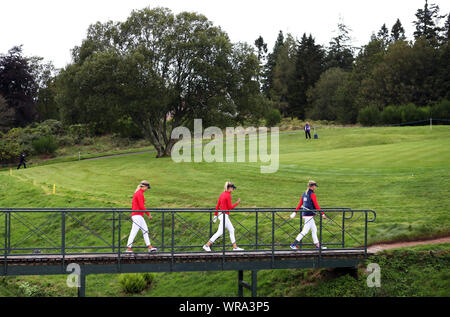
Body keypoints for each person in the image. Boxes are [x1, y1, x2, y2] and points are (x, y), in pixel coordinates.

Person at [203, 182, 244, 252]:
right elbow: (230, 207)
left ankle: (235, 247)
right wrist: (237, 203)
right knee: (219, 232)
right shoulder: (228, 195)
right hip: (224, 215)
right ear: (229, 188)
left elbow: (217, 205)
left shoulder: (222, 194)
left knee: (232, 230)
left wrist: (215, 215)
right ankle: (207, 245)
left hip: (221, 215)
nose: (233, 189)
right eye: (233, 188)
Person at [289, 180, 327, 249]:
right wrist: (322, 214)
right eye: (315, 186)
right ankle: (294, 244)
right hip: (309, 216)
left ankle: (317, 245)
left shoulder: (304, 194)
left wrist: (295, 212)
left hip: (305, 215)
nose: (315, 188)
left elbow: (300, 204)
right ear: (312, 186)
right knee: (305, 231)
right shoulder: (312, 194)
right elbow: (316, 205)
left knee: (314, 229)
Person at [126, 180, 157, 253]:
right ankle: (129, 248)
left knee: (145, 230)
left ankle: (149, 247)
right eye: (146, 187)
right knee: (135, 231)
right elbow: (141, 206)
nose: (147, 189)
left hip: (138, 215)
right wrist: (148, 214)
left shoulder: (138, 193)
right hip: (137, 215)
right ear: (143, 186)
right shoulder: (139, 193)